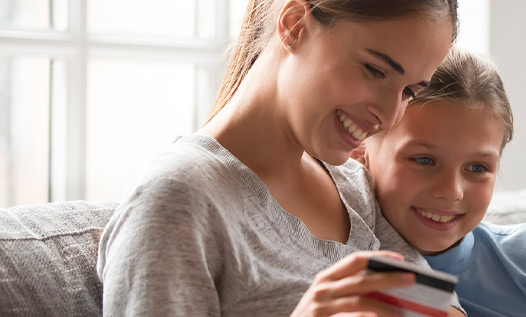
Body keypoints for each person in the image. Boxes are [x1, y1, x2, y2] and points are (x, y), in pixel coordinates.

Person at [96, 0, 463, 315]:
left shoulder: (358, 190)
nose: (389, 115)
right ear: (294, 25)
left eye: (409, 93)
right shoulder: (178, 199)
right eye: (375, 70)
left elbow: (437, 309)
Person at [354, 49, 526, 316]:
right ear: (361, 152)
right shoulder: (339, 263)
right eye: (424, 160)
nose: (451, 191)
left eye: (478, 167)